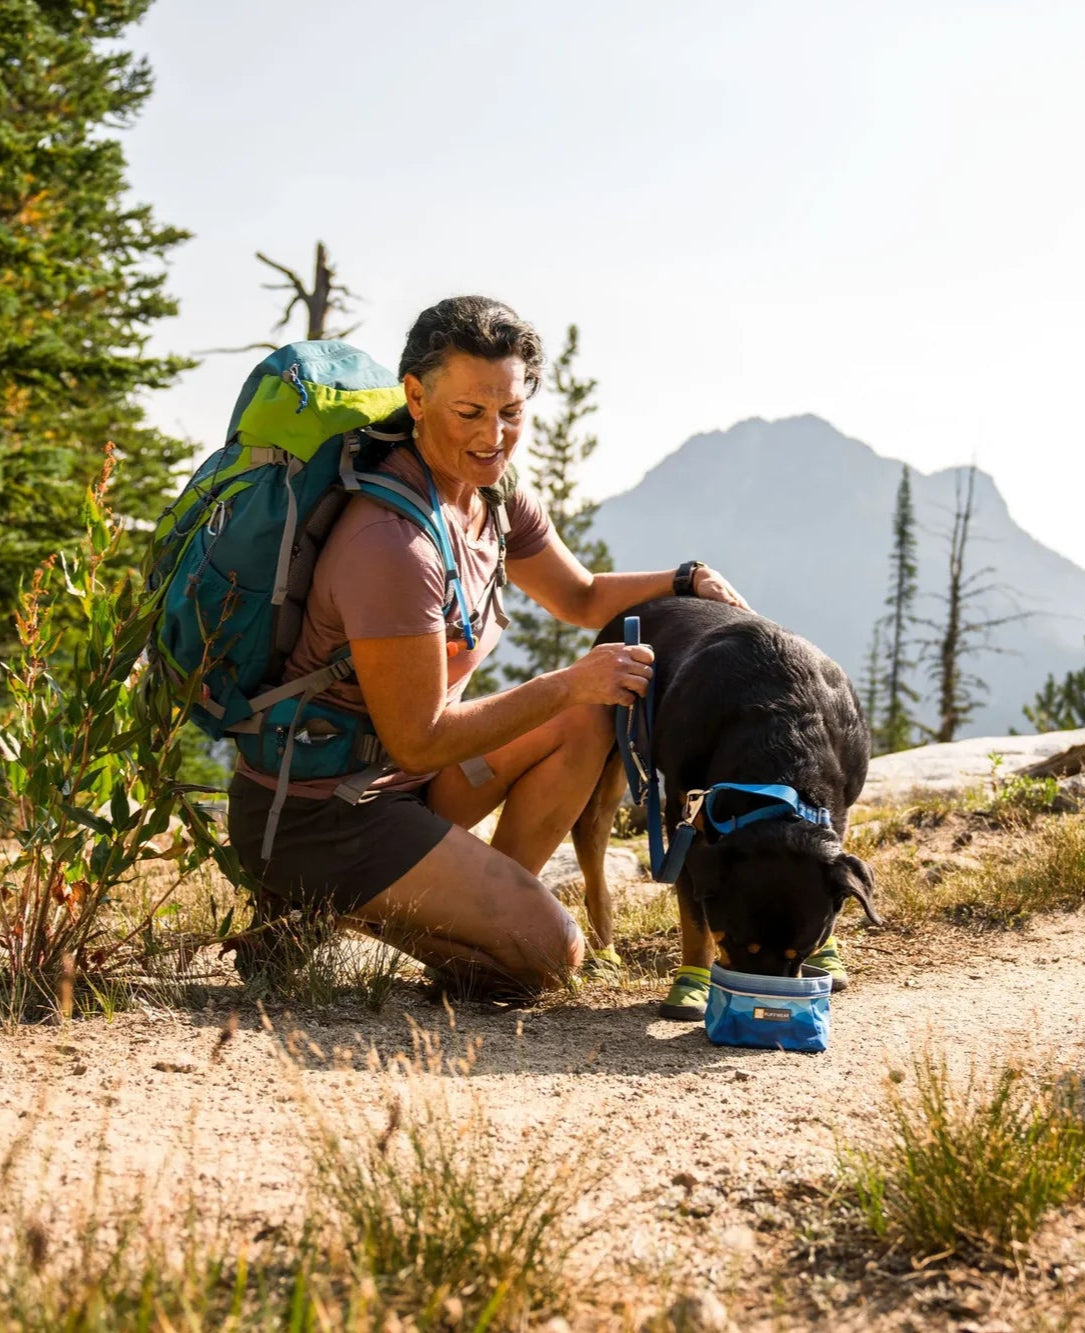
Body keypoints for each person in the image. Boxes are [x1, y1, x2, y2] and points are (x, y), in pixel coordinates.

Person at [227, 296, 748, 996]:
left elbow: (580, 596)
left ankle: (484, 912)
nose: (493, 436)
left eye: (510, 412)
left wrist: (685, 577)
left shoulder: (493, 500)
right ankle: (313, 910)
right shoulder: (391, 542)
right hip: (321, 812)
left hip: (397, 785)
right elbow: (419, 739)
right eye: (469, 413)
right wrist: (568, 681)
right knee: (548, 956)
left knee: (587, 717)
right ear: (414, 396)